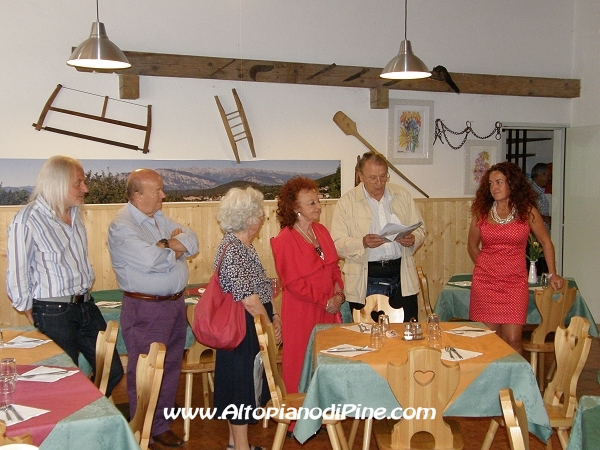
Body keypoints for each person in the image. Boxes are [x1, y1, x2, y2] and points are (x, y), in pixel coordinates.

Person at [6, 155, 123, 397]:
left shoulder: (76, 215)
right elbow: (17, 274)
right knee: (60, 381)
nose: (86, 189)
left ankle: (88, 407)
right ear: (57, 183)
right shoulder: (27, 220)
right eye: (78, 183)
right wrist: (31, 309)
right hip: (53, 311)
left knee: (112, 371)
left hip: (86, 306)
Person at [108, 169, 198, 448]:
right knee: (146, 371)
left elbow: (192, 241)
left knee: (171, 367)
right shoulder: (122, 226)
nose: (163, 195)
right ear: (137, 195)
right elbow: (150, 261)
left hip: (173, 305)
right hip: (146, 309)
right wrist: (173, 247)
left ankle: (160, 425)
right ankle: (142, 429)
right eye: (157, 190)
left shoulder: (158, 218)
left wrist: (165, 246)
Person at [467, 161, 564, 355]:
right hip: (486, 283)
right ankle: (490, 384)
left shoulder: (527, 211)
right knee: (488, 340)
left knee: (513, 339)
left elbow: (546, 243)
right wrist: (485, 266)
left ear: (512, 183)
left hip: (514, 283)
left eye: (499, 182)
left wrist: (553, 274)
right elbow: (471, 246)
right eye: (491, 183)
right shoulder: (481, 213)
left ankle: (514, 383)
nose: (494, 187)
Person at [213, 186, 281, 450]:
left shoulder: (241, 245)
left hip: (245, 326)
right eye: (260, 213)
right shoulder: (234, 249)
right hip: (241, 328)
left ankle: (235, 445)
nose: (262, 218)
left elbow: (260, 289)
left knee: (238, 387)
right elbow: (249, 299)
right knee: (240, 390)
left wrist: (274, 315)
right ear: (250, 218)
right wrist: (267, 324)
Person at [331, 152, 425, 321]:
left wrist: (413, 239)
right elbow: (337, 244)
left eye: (383, 176)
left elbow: (420, 229)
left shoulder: (402, 195)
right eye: (373, 178)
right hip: (365, 278)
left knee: (407, 333)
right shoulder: (347, 202)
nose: (379, 183)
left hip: (401, 274)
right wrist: (362, 242)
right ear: (360, 176)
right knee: (367, 337)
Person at [271, 177, 344, 394]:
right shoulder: (284, 239)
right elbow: (293, 284)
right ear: (296, 208)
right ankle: (298, 422)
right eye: (311, 203)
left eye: (318, 201)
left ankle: (323, 418)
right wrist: (325, 301)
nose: (318, 206)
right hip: (302, 313)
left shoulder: (321, 231)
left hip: (329, 310)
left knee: (327, 362)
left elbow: (333, 268)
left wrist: (339, 294)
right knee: (300, 363)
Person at [530, 163, 551, 230]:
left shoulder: (540, 191)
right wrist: (546, 218)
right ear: (539, 175)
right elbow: (528, 213)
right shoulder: (530, 191)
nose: (549, 178)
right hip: (535, 233)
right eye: (547, 176)